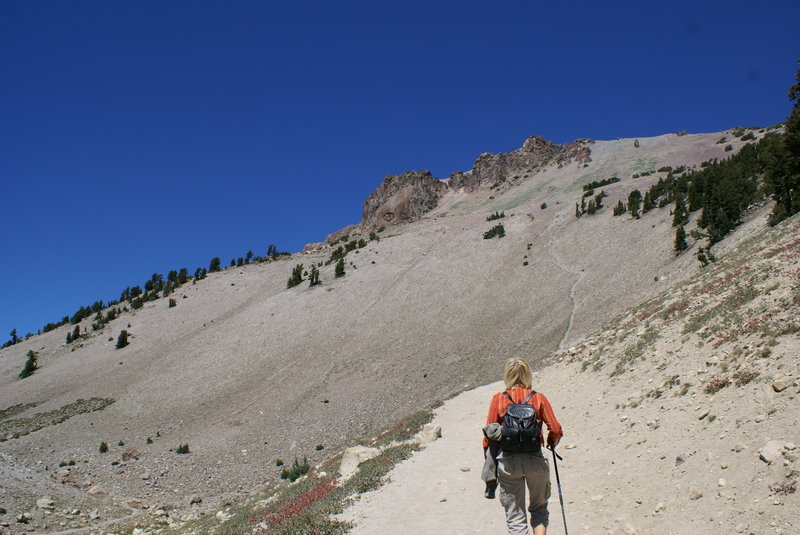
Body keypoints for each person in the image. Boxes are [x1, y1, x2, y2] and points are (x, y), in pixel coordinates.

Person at [483, 358, 563, 535]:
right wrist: (550, 443)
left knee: (515, 515)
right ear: (528, 375)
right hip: (535, 457)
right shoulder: (538, 398)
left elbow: (489, 435)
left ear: (507, 376)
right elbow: (555, 429)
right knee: (539, 508)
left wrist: (490, 462)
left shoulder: (498, 399)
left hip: (508, 460)